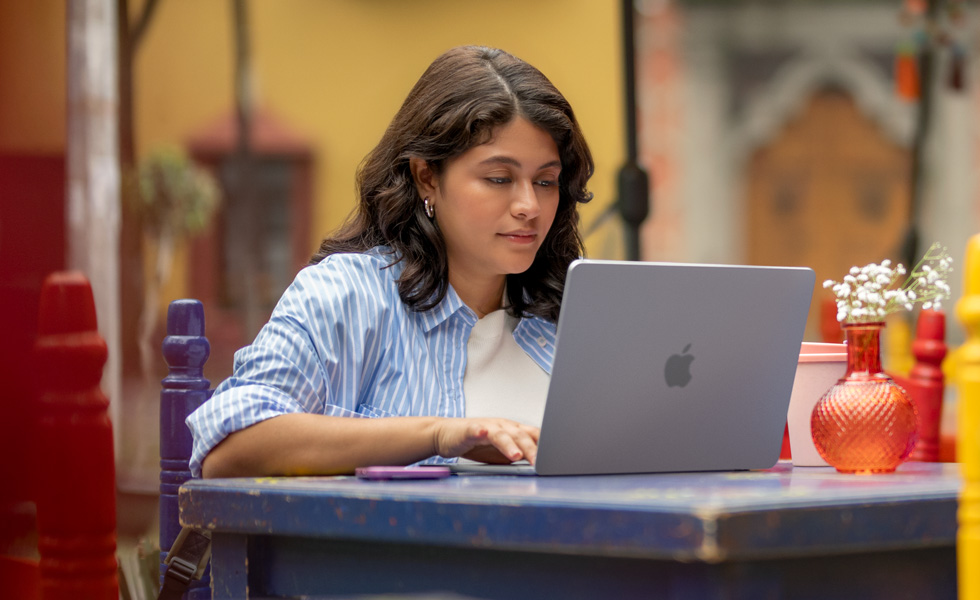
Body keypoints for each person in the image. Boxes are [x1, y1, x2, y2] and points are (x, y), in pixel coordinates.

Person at [187, 45, 594, 478]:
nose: (529, 205)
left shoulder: (573, 316)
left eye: (545, 181)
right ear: (426, 177)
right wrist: (438, 435)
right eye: (499, 178)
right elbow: (229, 451)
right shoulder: (347, 298)